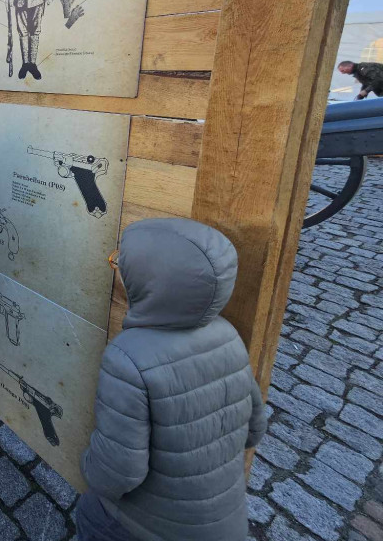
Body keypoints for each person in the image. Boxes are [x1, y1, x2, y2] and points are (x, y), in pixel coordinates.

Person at [77, 218, 267, 541]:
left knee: (89, 511)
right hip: (227, 527)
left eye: (122, 263)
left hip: (149, 529)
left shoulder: (127, 358)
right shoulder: (230, 337)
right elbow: (254, 431)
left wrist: (84, 462)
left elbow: (117, 473)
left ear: (148, 280)